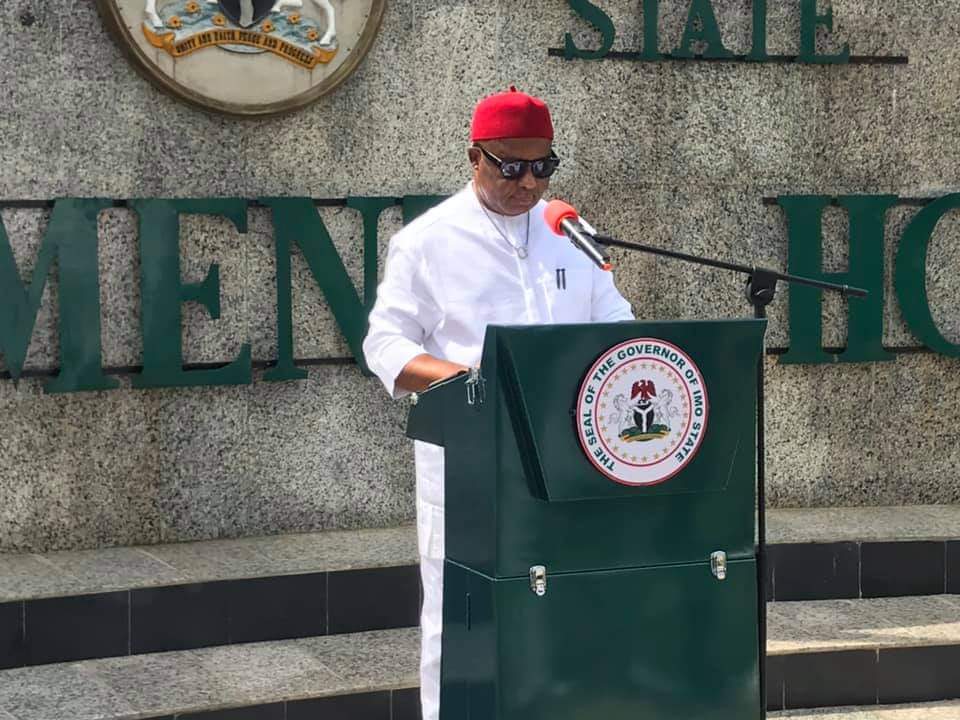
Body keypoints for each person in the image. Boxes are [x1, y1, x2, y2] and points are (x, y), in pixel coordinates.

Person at [362, 87, 634, 720]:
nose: (528, 183)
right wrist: (472, 381)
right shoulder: (427, 242)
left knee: (567, 605)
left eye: (543, 166)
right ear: (474, 157)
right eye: (511, 166)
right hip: (472, 460)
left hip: (569, 457)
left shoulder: (571, 235)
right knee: (461, 616)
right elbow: (386, 345)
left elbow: (617, 324)